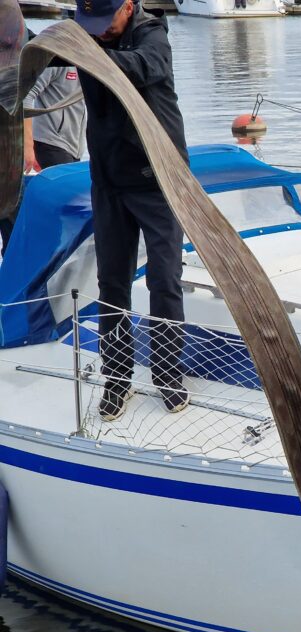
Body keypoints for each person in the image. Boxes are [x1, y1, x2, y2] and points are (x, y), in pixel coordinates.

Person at [74, 0, 189, 420]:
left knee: (164, 279)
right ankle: (117, 379)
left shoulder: (152, 35)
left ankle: (168, 375)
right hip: (109, 182)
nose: (99, 30)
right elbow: (43, 52)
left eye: (105, 21)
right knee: (112, 284)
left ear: (128, 6)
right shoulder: (83, 36)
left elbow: (143, 66)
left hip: (159, 180)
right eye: (90, 23)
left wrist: (86, 52)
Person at [0, 51, 86, 256]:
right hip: (49, 144)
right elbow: (26, 95)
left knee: (59, 213)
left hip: (73, 146)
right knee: (51, 213)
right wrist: (28, 146)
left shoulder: (88, 61)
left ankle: (44, 260)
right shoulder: (56, 60)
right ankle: (35, 262)